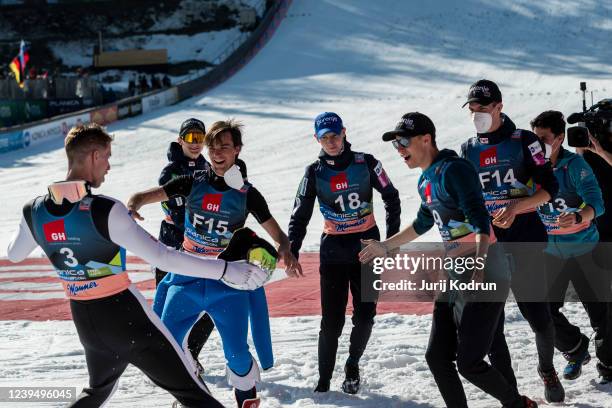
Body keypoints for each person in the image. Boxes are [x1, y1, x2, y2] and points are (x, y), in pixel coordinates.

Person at [6, 123, 269, 408]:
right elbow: (163, 257)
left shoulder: (33, 210)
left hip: (85, 319)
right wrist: (228, 270)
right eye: (106, 156)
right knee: (192, 393)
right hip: (125, 315)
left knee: (96, 392)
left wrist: (40, 224)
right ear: (93, 155)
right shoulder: (106, 209)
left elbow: (15, 253)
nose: (108, 166)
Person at [359, 112, 536, 408]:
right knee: (437, 357)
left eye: (403, 141)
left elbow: (480, 220)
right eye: (395, 145)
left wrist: (479, 266)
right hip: (454, 272)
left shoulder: (455, 169)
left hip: (485, 270)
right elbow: (423, 221)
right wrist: (385, 246)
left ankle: (518, 404)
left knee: (469, 362)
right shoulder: (426, 180)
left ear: (426, 139)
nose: (400, 149)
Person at [127, 119, 302, 408]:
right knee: (167, 346)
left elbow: (278, 235)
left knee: (236, 354)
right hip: (186, 278)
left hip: (228, 284)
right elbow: (142, 196)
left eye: (224, 146)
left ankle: (246, 398)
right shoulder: (191, 181)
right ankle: (191, 386)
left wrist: (287, 252)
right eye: (213, 146)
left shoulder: (248, 195)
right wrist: (133, 205)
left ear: (237, 150)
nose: (217, 152)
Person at [460, 80, 561, 401]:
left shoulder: (524, 141)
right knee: (493, 326)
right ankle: (512, 396)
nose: (478, 114)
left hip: (525, 238)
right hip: (489, 243)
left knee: (539, 317)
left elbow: (550, 188)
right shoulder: (468, 149)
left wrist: (518, 206)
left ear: (499, 107)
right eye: (472, 109)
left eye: (484, 108)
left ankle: (547, 370)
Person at [288, 112, 401, 394]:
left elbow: (392, 197)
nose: (331, 142)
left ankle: (352, 364)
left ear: (344, 133)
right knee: (331, 322)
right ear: (317, 139)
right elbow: (299, 214)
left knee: (365, 316)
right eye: (324, 137)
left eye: (335, 136)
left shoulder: (367, 163)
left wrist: (392, 241)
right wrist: (293, 251)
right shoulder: (313, 172)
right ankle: (323, 381)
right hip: (334, 252)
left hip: (367, 250)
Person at [531, 110, 612, 385]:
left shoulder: (575, 166)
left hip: (585, 249)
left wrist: (579, 216)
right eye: (535, 137)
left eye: (544, 138)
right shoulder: (531, 167)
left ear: (560, 138)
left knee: (601, 314)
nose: (539, 143)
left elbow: (598, 204)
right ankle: (576, 348)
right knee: (543, 311)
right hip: (551, 253)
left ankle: (609, 363)